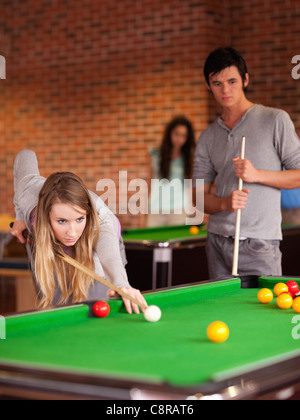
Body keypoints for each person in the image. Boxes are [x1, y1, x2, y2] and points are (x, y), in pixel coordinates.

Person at [193, 47, 300, 279]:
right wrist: (225, 204)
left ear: (245, 80)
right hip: (217, 242)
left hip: (259, 243)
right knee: (223, 314)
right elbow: (198, 199)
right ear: (208, 85)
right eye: (217, 83)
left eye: (232, 81)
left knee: (263, 313)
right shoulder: (207, 137)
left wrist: (256, 174)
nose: (226, 89)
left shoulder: (275, 120)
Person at [12, 149, 147, 314]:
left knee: (95, 306)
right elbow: (25, 155)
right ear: (45, 216)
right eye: (62, 221)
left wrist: (121, 283)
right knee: (56, 305)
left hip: (92, 248)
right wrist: (19, 216)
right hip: (47, 241)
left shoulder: (100, 222)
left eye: (79, 219)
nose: (72, 232)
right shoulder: (28, 193)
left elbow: (109, 255)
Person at [147, 116, 196, 227]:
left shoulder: (188, 157)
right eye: (176, 133)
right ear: (169, 133)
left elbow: (189, 183)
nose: (179, 139)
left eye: (183, 136)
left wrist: (191, 204)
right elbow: (149, 182)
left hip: (179, 209)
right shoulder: (155, 154)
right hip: (156, 209)